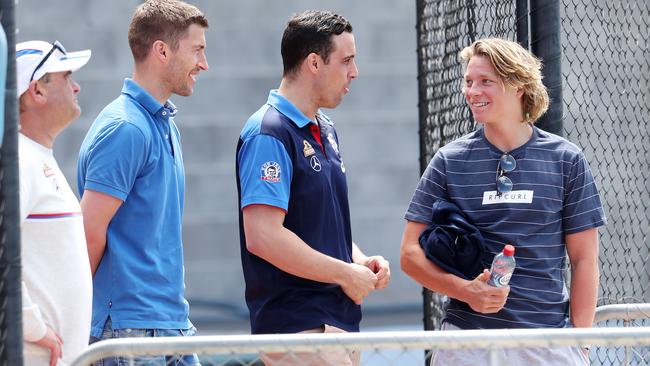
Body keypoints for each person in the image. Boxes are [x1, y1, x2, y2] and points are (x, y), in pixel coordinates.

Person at [400, 38, 606, 365]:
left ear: (518, 86)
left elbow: (585, 259)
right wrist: (467, 292)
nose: (472, 91)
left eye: (485, 82)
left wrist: (579, 343)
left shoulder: (567, 160)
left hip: (547, 341)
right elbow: (409, 255)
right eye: (468, 82)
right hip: (468, 342)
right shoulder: (448, 160)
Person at [236, 10, 391, 366]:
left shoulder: (324, 127)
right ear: (314, 63)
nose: (355, 72)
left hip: (335, 326)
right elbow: (262, 235)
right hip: (300, 330)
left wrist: (359, 261)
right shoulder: (269, 132)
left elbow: (320, 223)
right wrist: (343, 273)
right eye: (347, 60)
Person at [76, 0, 208, 365]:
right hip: (128, 333)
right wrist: (72, 318)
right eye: (197, 50)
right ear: (162, 51)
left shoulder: (163, 125)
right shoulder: (126, 128)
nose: (204, 63)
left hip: (171, 326)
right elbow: (89, 232)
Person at [17, 40, 92, 366]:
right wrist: (33, 328)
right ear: (37, 91)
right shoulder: (19, 160)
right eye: (65, 77)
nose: (76, 86)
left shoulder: (34, 158)